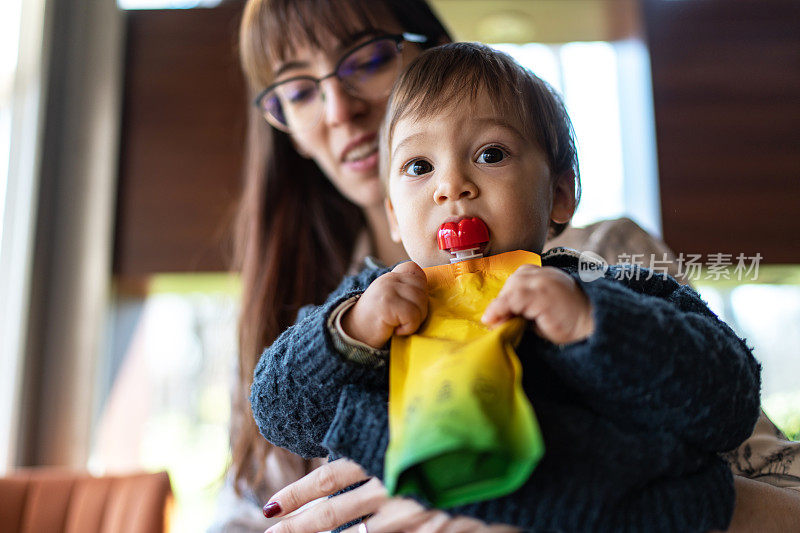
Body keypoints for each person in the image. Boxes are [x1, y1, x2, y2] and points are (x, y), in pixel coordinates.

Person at [213, 0, 800, 531]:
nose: (453, 187)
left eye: (366, 58)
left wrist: (599, 326)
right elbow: (278, 410)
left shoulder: (606, 276)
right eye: (297, 90)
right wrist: (346, 333)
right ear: (395, 214)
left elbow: (729, 404)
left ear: (562, 195)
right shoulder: (357, 310)